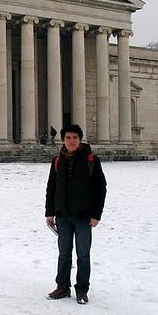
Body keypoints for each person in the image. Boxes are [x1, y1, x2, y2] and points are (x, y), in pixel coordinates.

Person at [45, 124, 107, 304]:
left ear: (80, 139)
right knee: (64, 254)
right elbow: (51, 188)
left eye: (75, 138)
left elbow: (100, 189)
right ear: (63, 140)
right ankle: (62, 287)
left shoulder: (91, 160)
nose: (71, 141)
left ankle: (82, 290)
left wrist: (96, 215)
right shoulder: (57, 160)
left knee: (83, 255)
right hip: (62, 216)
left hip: (84, 217)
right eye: (68, 138)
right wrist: (49, 212)